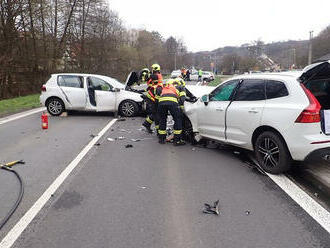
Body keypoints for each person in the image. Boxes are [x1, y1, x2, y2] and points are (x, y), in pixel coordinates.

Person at [156, 79, 186, 146]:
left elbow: (157, 97)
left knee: (162, 120)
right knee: (178, 119)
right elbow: (182, 99)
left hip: (161, 103)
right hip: (172, 102)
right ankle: (177, 140)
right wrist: (181, 109)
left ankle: (161, 139)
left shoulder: (165, 87)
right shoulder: (181, 87)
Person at [142, 64, 163, 133]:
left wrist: (145, 74)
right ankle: (157, 129)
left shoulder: (157, 75)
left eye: (152, 69)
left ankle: (146, 124)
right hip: (152, 97)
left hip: (153, 96)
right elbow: (148, 80)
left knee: (155, 113)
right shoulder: (155, 76)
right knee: (156, 114)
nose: (152, 70)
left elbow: (150, 77)